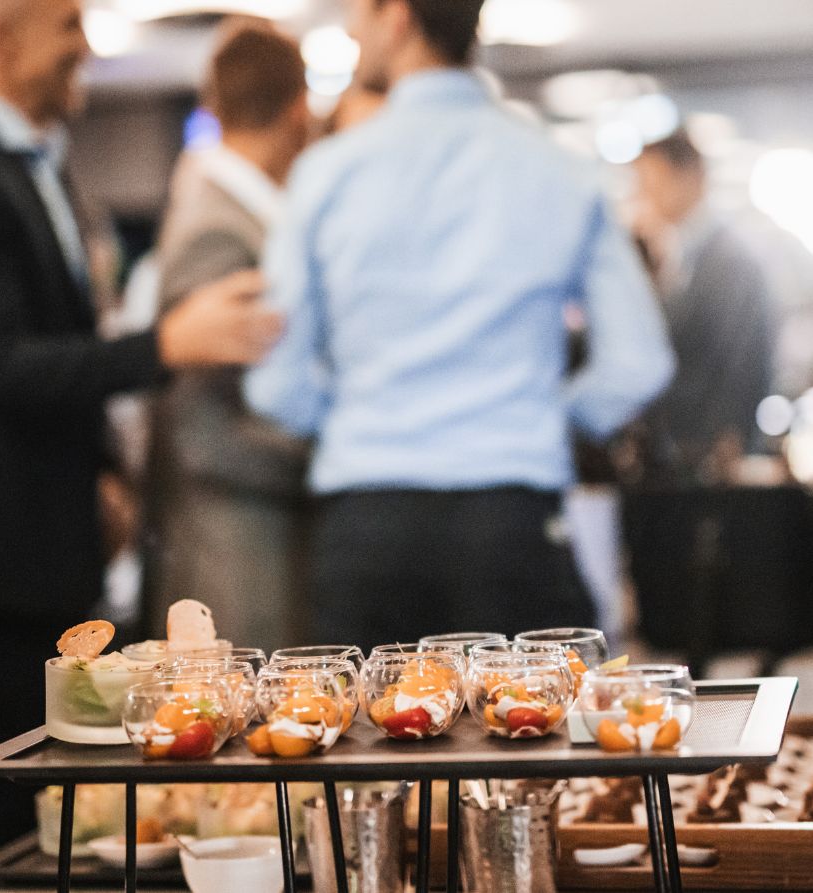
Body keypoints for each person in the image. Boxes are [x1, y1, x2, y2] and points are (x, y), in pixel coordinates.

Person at [0, 0, 279, 845]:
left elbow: (52, 347)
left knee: (66, 802)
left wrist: (103, 471)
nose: (87, 47)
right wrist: (166, 345)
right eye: (70, 27)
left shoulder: (35, 166)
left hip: (48, 537)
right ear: (3, 36)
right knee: (16, 808)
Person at [245, 0, 675, 651]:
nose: (354, 31)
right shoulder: (557, 168)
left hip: (367, 522)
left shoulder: (326, 174)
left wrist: (352, 419)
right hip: (512, 518)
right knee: (539, 745)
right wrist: (542, 417)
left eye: (360, 11)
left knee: (364, 745)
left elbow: (275, 382)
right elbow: (639, 362)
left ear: (398, 18)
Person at [146, 22, 311, 653]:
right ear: (300, 112)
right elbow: (202, 431)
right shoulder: (220, 229)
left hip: (248, 529)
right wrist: (324, 459)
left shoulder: (240, 215)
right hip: (237, 546)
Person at [632, 128, 775, 481]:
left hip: (710, 454)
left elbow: (743, 360)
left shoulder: (728, 262)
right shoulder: (684, 255)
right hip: (686, 452)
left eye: (652, 181)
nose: (645, 195)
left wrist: (731, 438)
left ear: (690, 177)